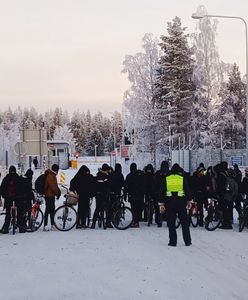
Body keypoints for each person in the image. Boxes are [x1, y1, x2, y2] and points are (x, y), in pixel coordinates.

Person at [159, 163, 192, 247]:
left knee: (171, 223)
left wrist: (161, 204)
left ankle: (173, 242)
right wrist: (189, 201)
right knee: (184, 223)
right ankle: (187, 241)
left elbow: (162, 192)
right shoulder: (182, 178)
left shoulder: (166, 179)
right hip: (181, 203)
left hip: (170, 203)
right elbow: (187, 190)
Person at [0, 165, 24, 233]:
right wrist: (21, 196)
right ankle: (21, 227)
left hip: (8, 198)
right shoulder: (18, 178)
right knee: (19, 212)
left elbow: (2, 188)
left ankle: (6, 228)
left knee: (8, 213)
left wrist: (4, 196)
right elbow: (22, 188)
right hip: (17, 198)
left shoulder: (6, 178)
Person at [124, 163, 145, 228]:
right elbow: (145, 184)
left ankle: (135, 221)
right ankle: (137, 220)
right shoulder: (141, 175)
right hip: (140, 195)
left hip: (132, 195)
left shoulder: (129, 176)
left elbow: (126, 186)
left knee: (134, 208)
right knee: (139, 208)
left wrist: (125, 194)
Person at [91, 163, 112, 229]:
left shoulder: (98, 175)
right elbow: (108, 184)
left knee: (97, 208)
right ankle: (108, 223)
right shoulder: (106, 176)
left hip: (98, 194)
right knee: (108, 208)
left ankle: (93, 224)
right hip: (104, 194)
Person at [43, 164, 61, 231]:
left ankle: (52, 225)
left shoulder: (52, 175)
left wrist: (58, 191)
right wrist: (57, 193)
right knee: (48, 210)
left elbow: (55, 186)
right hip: (49, 196)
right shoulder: (50, 176)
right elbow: (53, 186)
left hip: (50, 195)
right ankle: (46, 225)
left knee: (51, 210)